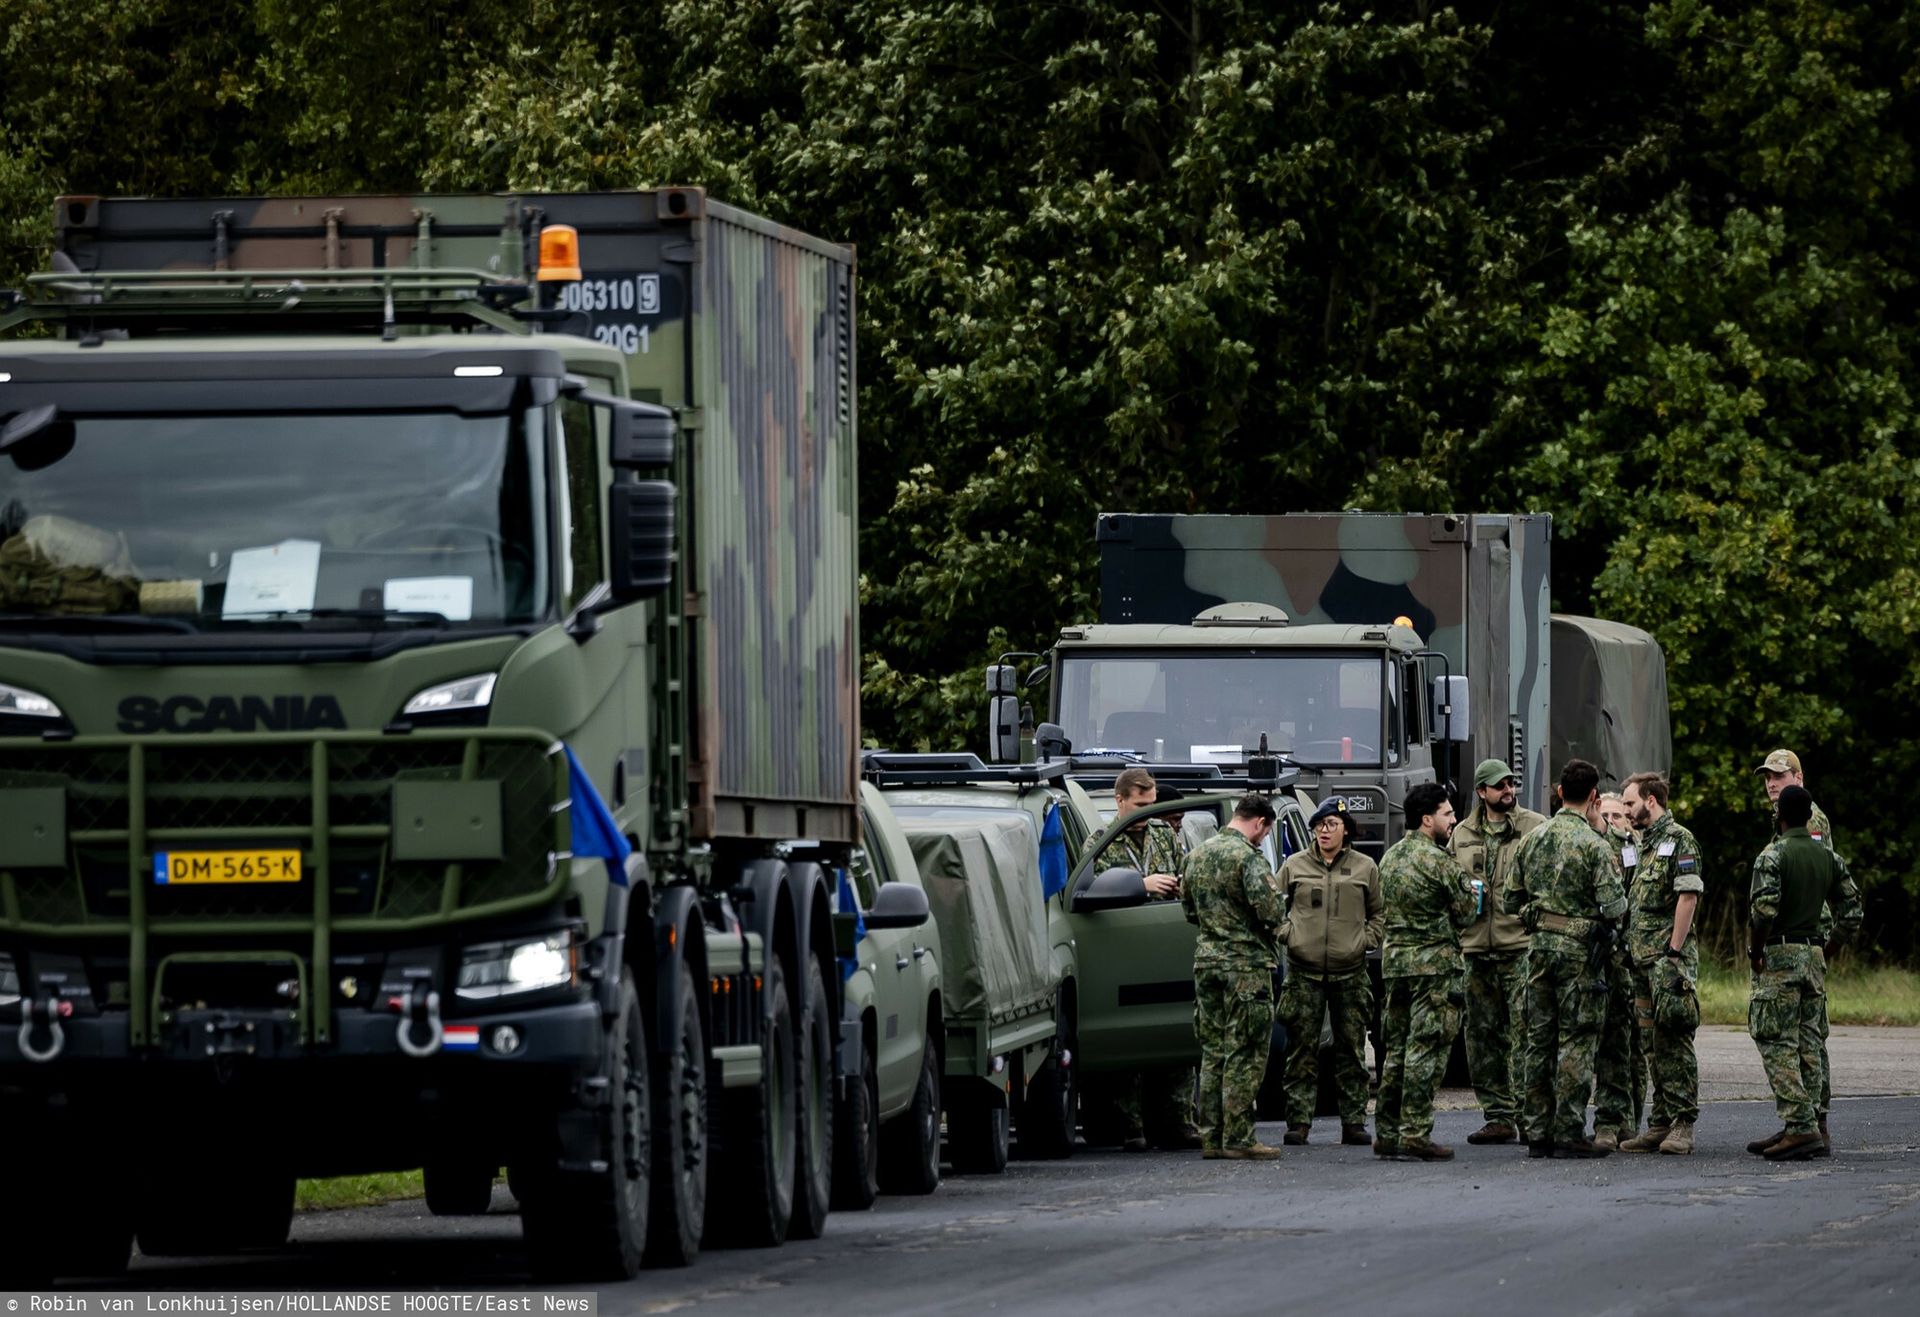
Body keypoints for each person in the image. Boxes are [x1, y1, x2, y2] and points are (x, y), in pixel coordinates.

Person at [1504, 759, 1628, 1158]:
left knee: (1538, 1041)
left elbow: (1510, 899)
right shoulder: (1596, 845)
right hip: (1580, 958)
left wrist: (1538, 918)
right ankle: (1569, 1130)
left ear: (1559, 792)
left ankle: (1537, 1130)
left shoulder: (1532, 839)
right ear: (1594, 797)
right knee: (1576, 1041)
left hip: (1538, 952)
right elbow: (1614, 907)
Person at [1081, 768, 1199, 1151]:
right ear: (1120, 801)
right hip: (1124, 946)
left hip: (1166, 940)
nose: (1146, 812)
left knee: (1177, 1035)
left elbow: (1187, 877)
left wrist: (1179, 883)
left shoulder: (1164, 836)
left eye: (1151, 805)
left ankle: (1179, 1121)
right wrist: (1142, 885)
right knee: (1131, 1040)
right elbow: (1091, 887)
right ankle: (1130, 1124)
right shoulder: (1101, 841)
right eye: (1139, 805)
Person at [1745, 786, 1864, 1160]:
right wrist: (1828, 945)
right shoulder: (1828, 856)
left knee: (1775, 1040)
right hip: (1814, 955)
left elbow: (1763, 912)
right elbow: (1853, 911)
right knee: (1809, 1043)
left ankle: (1799, 1125)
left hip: (1781, 954)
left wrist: (1756, 951)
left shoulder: (1773, 855)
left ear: (1778, 815)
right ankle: (1810, 1122)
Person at [1374, 783, 1475, 1162]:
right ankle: (1415, 1133)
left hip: (1396, 965)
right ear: (1426, 819)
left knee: (1396, 1050)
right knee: (1425, 1049)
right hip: (1434, 968)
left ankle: (1386, 1132)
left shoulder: (1390, 859)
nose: (1453, 821)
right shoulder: (1440, 862)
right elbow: (1467, 913)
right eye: (1448, 814)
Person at [1447, 758, 1546, 1146]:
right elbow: (1453, 883)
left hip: (1518, 946)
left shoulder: (1534, 827)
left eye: (1511, 784)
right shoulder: (1462, 834)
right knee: (1482, 1038)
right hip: (1474, 949)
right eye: (1499, 786)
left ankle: (1529, 1115)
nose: (1508, 791)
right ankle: (1498, 1115)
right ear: (1482, 792)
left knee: (1525, 1035)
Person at [1182, 793, 1286, 1160]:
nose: (1263, 839)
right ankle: (1239, 1137)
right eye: (1265, 832)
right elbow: (1272, 911)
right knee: (1245, 1053)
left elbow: (1190, 912)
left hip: (1207, 964)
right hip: (1246, 967)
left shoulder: (1196, 856)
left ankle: (1212, 1136)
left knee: (1212, 1053)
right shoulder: (1248, 858)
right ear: (1259, 823)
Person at [1275, 797, 1383, 1146]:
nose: (1324, 830)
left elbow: (1380, 914)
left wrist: (1365, 940)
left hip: (1349, 972)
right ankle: (1299, 1122)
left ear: (1345, 830)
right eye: (1319, 825)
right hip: (1304, 973)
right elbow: (1273, 907)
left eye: (1331, 825)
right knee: (1301, 1051)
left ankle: (1354, 1121)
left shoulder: (1365, 867)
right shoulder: (1294, 865)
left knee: (1351, 1052)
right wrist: (1289, 935)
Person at [1616, 772, 1705, 1154]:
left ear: (1651, 801)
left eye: (1631, 804)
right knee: (1651, 1043)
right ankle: (1661, 1121)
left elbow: (1688, 897)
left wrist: (1674, 950)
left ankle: (1683, 1123)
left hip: (1666, 962)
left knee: (1674, 1039)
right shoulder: (1641, 844)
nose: (1626, 811)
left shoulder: (1680, 840)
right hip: (1641, 962)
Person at [1754, 748, 1838, 1147]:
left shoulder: (1810, 820)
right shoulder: (1785, 821)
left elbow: (1811, 873)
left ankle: (1811, 1120)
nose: (1772, 782)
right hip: (1805, 939)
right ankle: (1802, 1120)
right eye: (1768, 776)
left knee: (1801, 1035)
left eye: (1780, 775)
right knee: (1804, 1033)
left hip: (1800, 938)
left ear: (1798, 779)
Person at [1591, 789, 1648, 1149]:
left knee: (1635, 1048)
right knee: (1610, 1045)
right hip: (1603, 960)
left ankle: (1632, 1119)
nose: (1612, 821)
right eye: (1606, 814)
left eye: (1618, 815)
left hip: (1631, 960)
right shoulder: (1590, 849)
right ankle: (1610, 1121)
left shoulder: (1636, 853)